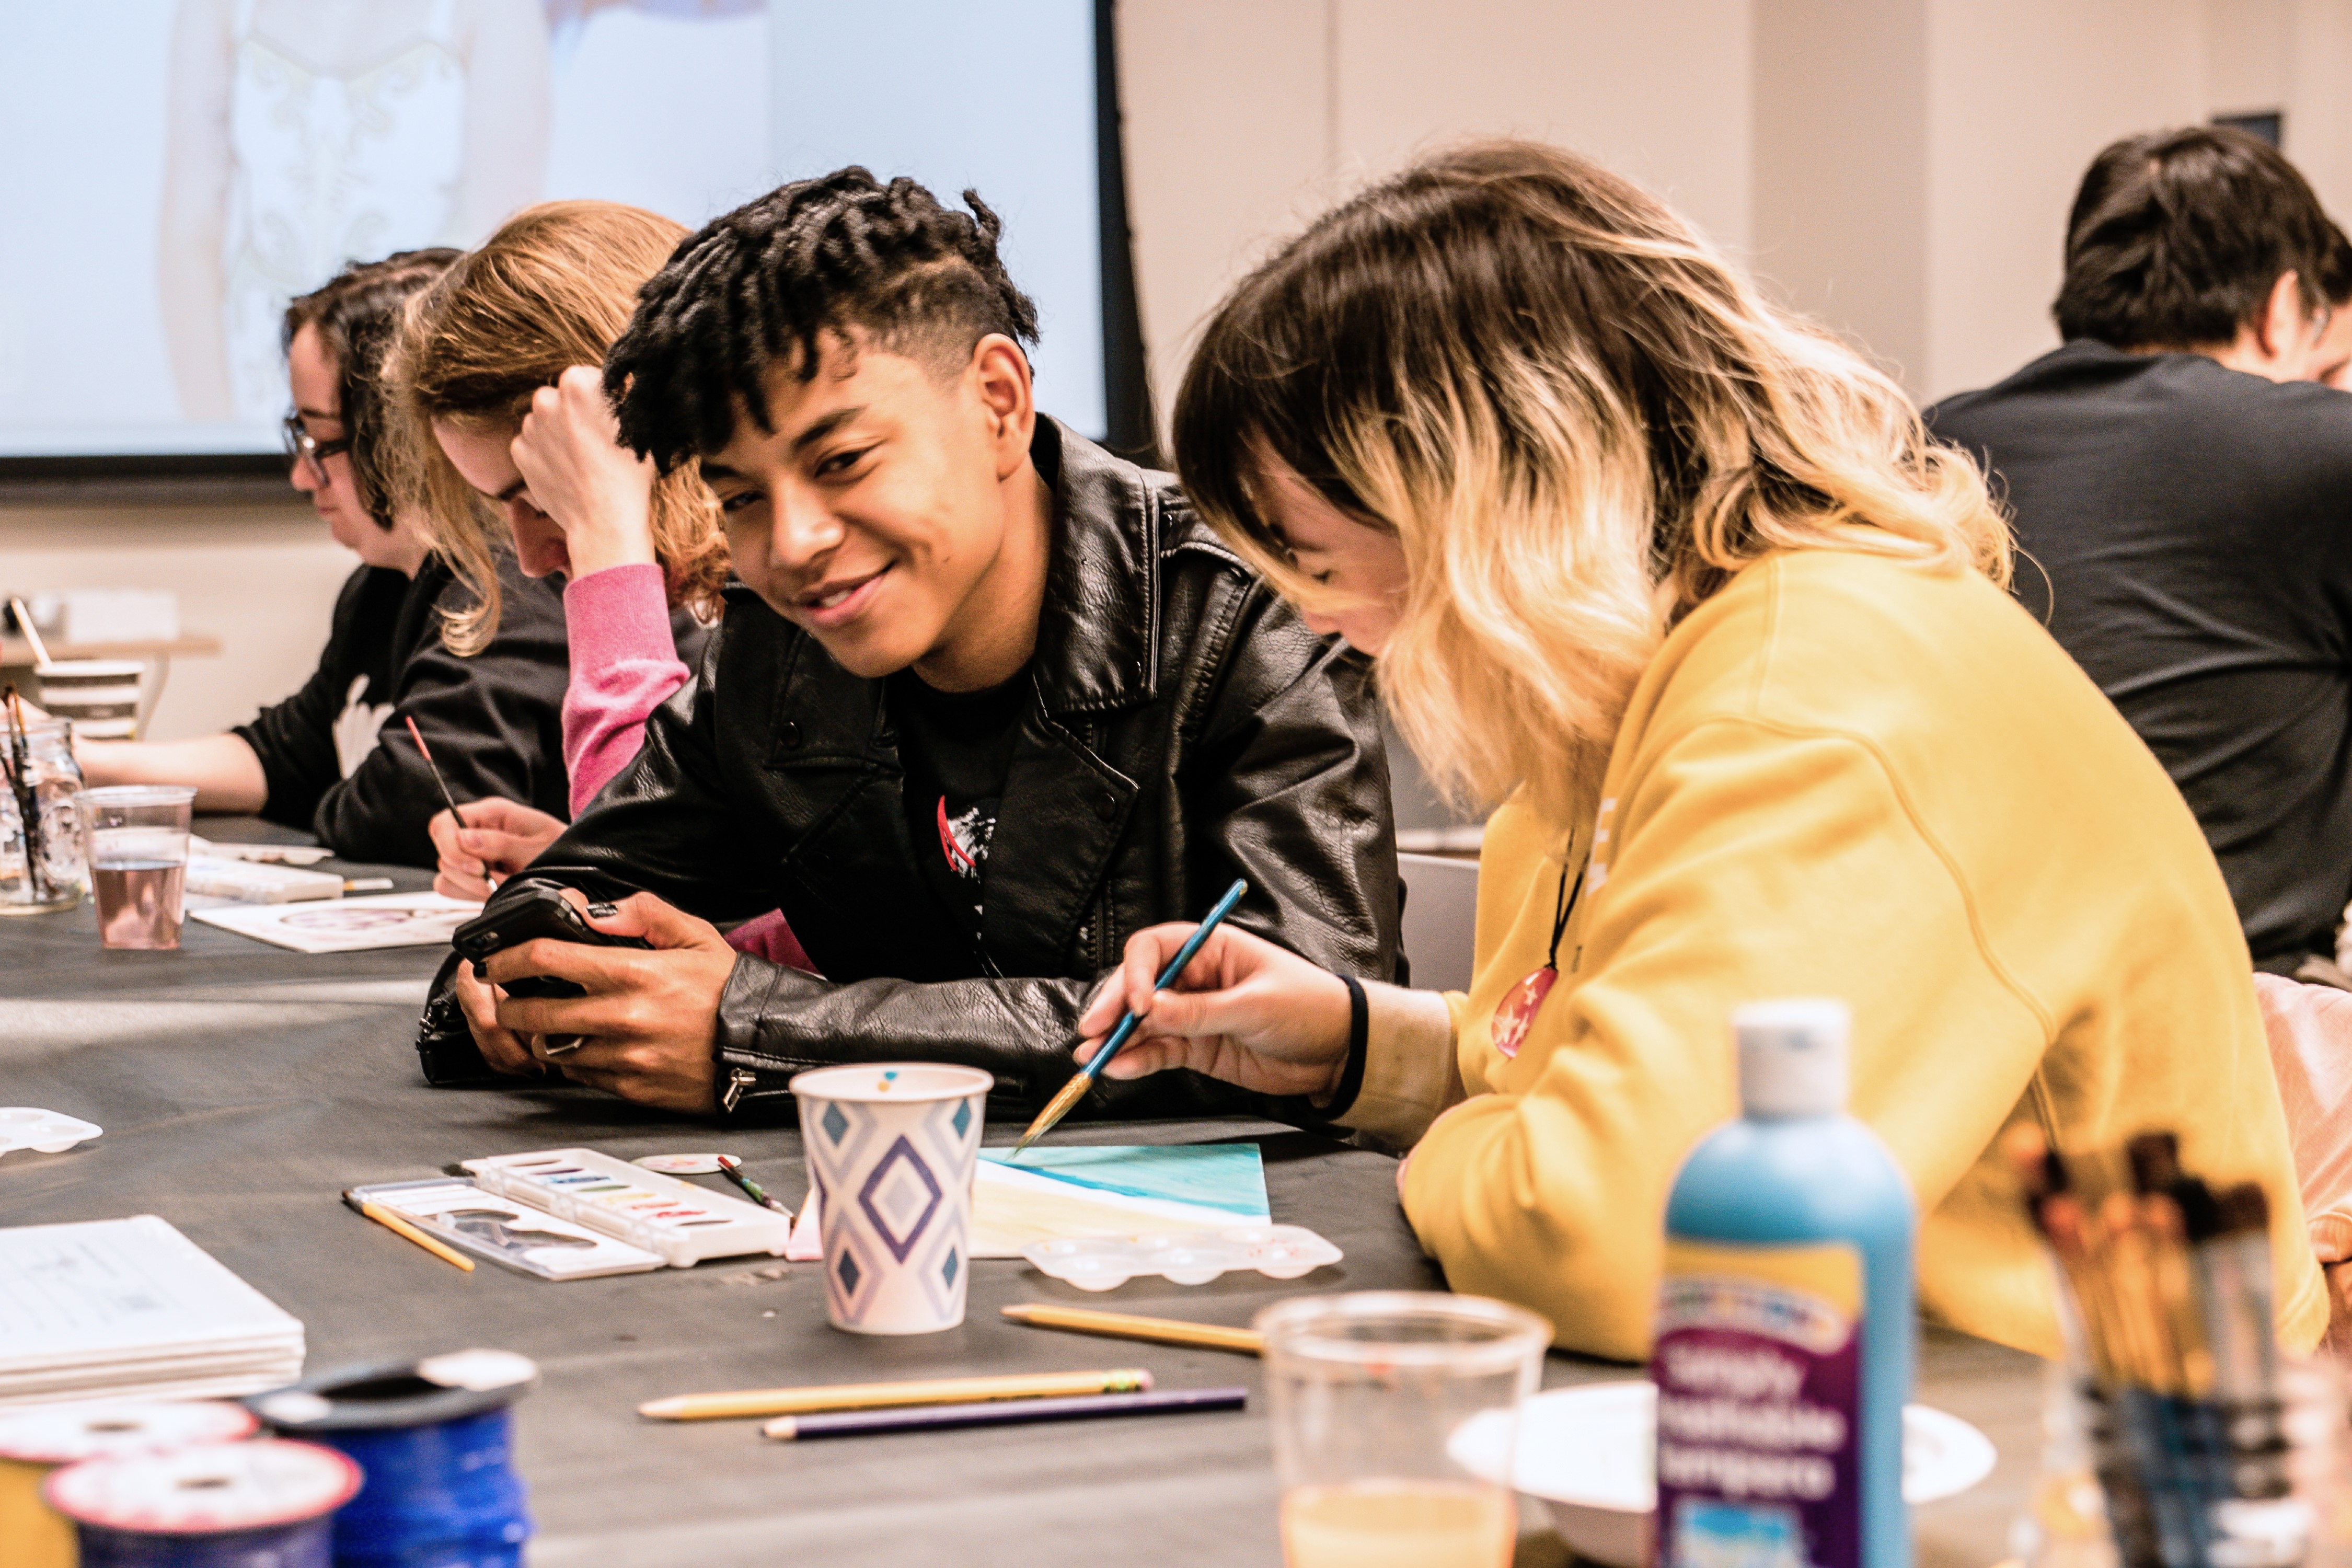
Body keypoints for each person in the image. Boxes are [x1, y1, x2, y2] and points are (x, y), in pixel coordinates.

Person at [1064, 140, 2327, 1361]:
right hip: (1909, 1390)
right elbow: (1574, 1056)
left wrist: (1459, 1145)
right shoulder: (1640, 687)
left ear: (1486, 494)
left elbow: (1623, 1241)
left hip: (2098, 1454)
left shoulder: (1805, 697)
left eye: (1318, 558)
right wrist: (1354, 1044)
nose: (1306, 610)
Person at [416, 167, 1403, 1124]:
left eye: (842, 461)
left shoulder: (1244, 608)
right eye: (742, 497)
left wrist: (761, 1028)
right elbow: (573, 892)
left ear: (999, 402)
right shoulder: (776, 652)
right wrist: (523, 983)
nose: (794, 544)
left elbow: (1307, 1017)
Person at [1928, 128, 2352, 981]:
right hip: (2225, 1023)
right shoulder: (2318, 449)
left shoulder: (1924, 447)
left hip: (1955, 1004)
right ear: (2283, 307)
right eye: (2332, 361)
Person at [77, 251, 574, 867]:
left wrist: (325, 801)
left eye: (317, 441)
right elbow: (288, 756)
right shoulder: (380, 588)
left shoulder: (516, 585)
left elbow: (410, 805)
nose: (299, 475)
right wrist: (76, 757)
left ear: (397, 434)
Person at [383, 201, 750, 918]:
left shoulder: (805, 606)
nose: (528, 556)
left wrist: (607, 530)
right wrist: (571, 855)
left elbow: (653, 877)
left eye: (547, 497)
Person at [159, 0, 550, 424]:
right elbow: (189, 238)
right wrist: (214, 436)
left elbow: (503, 255)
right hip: (256, 389)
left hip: (417, 397)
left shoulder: (497, 13)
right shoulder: (217, 13)